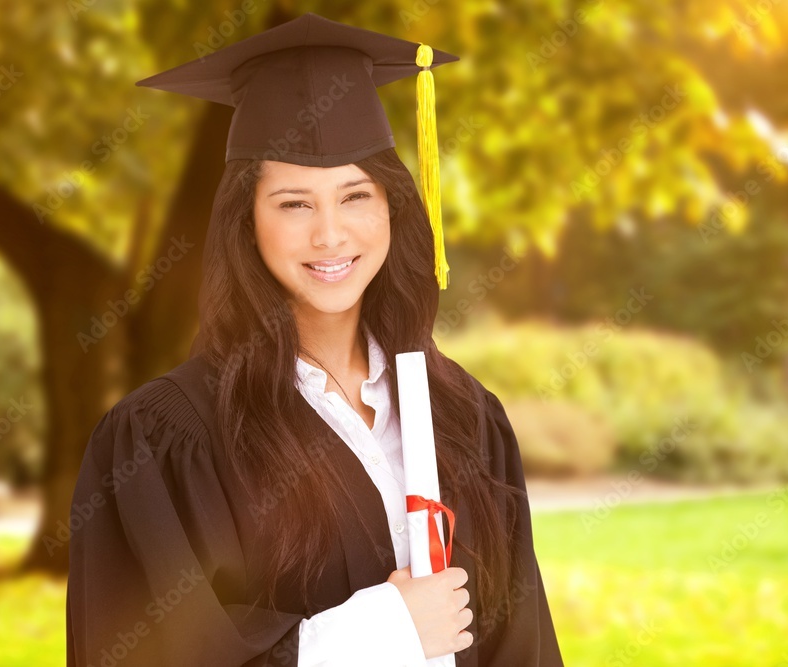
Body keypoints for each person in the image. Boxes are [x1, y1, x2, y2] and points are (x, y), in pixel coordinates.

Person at [66, 12, 564, 667]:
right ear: (246, 222)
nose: (330, 234)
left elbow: (522, 645)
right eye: (295, 203)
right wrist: (381, 630)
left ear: (393, 207)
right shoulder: (166, 438)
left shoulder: (468, 416)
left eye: (355, 195)